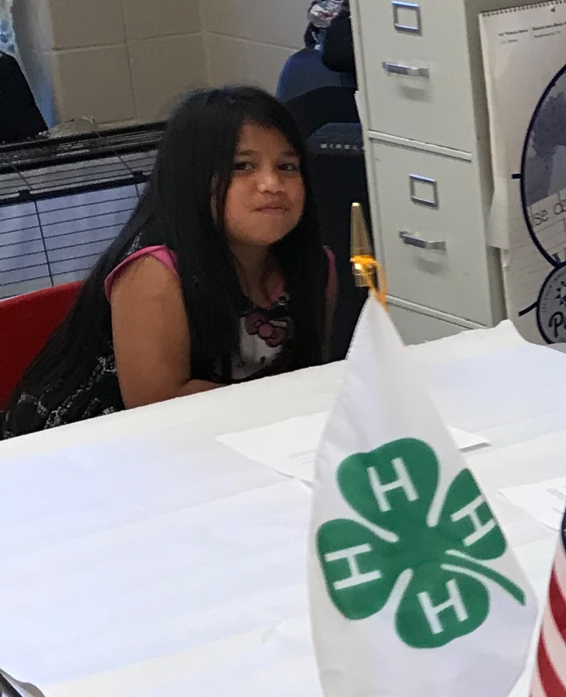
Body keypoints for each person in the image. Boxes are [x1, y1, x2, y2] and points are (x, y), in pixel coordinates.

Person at [2, 86, 329, 438]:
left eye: (287, 166)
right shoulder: (156, 271)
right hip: (85, 450)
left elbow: (311, 374)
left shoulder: (314, 265)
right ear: (190, 178)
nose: (272, 183)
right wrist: (288, 406)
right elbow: (158, 407)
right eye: (242, 166)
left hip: (237, 437)